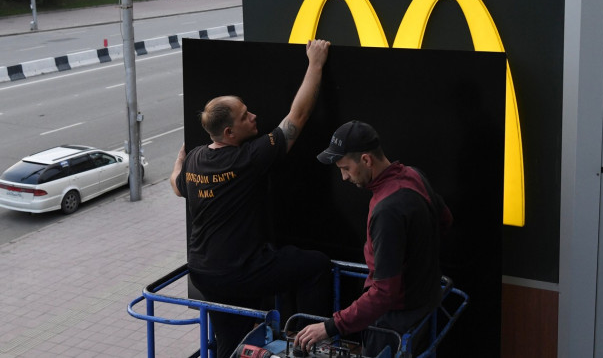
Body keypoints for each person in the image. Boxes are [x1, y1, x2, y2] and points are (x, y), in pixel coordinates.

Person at [170, 39, 332, 358]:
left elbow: (177, 186)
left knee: (233, 342)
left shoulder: (197, 159)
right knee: (317, 266)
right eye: (245, 116)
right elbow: (296, 118)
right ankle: (308, 343)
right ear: (229, 133)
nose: (254, 116)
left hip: (204, 272)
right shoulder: (247, 160)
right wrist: (315, 63)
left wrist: (180, 162)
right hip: (240, 272)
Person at [295, 120, 453, 357]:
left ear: (366, 160)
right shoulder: (414, 175)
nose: (344, 177)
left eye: (346, 168)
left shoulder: (387, 209)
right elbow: (445, 220)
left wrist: (329, 326)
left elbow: (384, 293)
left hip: (395, 322)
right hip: (426, 304)